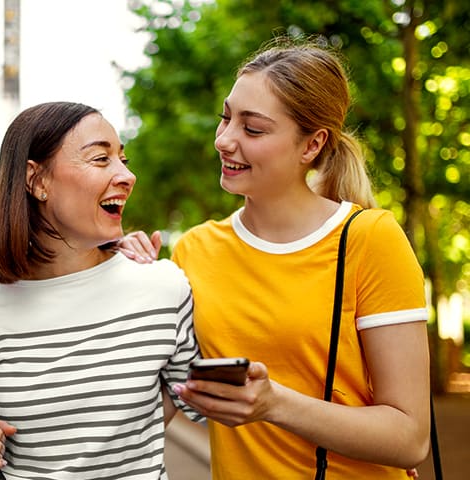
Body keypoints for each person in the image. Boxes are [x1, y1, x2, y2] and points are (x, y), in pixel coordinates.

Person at [119, 39, 430, 479]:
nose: (225, 140)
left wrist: (273, 403)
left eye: (253, 129)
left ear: (311, 145)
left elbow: (411, 436)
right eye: (226, 117)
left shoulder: (369, 240)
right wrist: (124, 280)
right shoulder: (193, 249)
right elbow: (160, 399)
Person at [0, 101, 201, 480]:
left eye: (123, 159)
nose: (127, 175)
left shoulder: (163, 287)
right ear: (37, 181)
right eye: (100, 159)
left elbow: (191, 398)